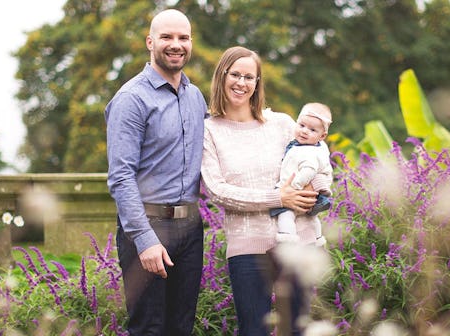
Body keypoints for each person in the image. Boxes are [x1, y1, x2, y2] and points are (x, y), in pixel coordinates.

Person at [201, 46, 332, 335]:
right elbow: (217, 191)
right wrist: (279, 198)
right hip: (248, 248)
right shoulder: (210, 130)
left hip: (297, 244)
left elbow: (318, 159)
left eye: (250, 77)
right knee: (253, 331)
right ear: (221, 76)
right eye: (235, 74)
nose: (242, 83)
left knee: (296, 329)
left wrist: (316, 188)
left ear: (257, 83)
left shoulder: (282, 124)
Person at [105, 9, 206, 335]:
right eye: (167, 37)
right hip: (145, 228)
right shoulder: (131, 99)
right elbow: (121, 177)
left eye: (183, 38)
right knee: (149, 328)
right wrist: (146, 241)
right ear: (150, 42)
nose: (176, 44)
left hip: (190, 229)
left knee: (181, 327)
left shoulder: (195, 97)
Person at [270, 102, 333, 246]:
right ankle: (318, 238)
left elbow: (309, 170)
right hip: (308, 193)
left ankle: (287, 238)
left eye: (312, 130)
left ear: (322, 136)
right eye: (302, 125)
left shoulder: (308, 151)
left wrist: (295, 186)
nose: (304, 131)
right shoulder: (313, 147)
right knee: (313, 218)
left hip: (295, 190)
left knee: (285, 214)